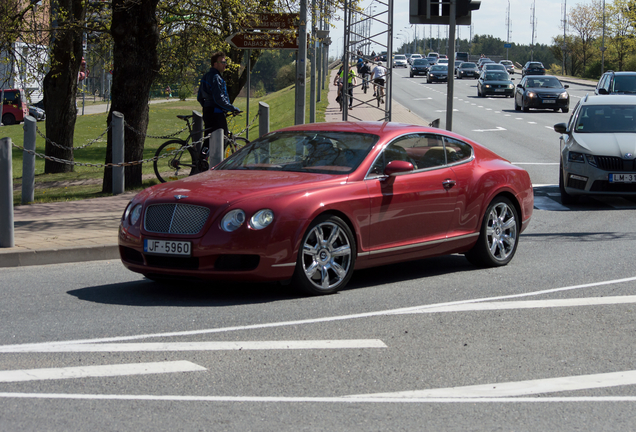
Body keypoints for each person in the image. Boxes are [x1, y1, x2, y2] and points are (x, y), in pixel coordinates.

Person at [197, 52, 241, 143]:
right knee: (223, 140)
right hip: (216, 113)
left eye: (225, 62)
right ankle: (214, 157)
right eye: (223, 62)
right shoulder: (216, 77)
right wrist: (232, 108)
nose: (225, 65)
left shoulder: (205, 76)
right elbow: (219, 99)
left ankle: (202, 157)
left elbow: (199, 97)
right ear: (215, 64)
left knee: (208, 140)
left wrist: (206, 106)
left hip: (207, 112)